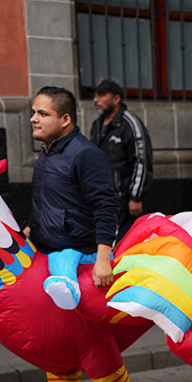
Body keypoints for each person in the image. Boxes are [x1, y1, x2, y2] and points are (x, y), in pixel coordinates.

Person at [23, 86, 120, 311]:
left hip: (81, 262)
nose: (33, 119)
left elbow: (105, 206)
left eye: (43, 114)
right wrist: (29, 229)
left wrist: (103, 260)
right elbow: (46, 200)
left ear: (65, 119)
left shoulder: (85, 154)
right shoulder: (48, 151)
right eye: (34, 112)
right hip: (45, 254)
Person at [88, 79, 152, 236]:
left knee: (121, 244)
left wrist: (135, 197)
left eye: (102, 95)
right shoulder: (97, 124)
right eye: (95, 95)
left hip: (123, 201)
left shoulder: (130, 123)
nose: (96, 100)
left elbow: (141, 160)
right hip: (101, 198)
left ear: (116, 99)